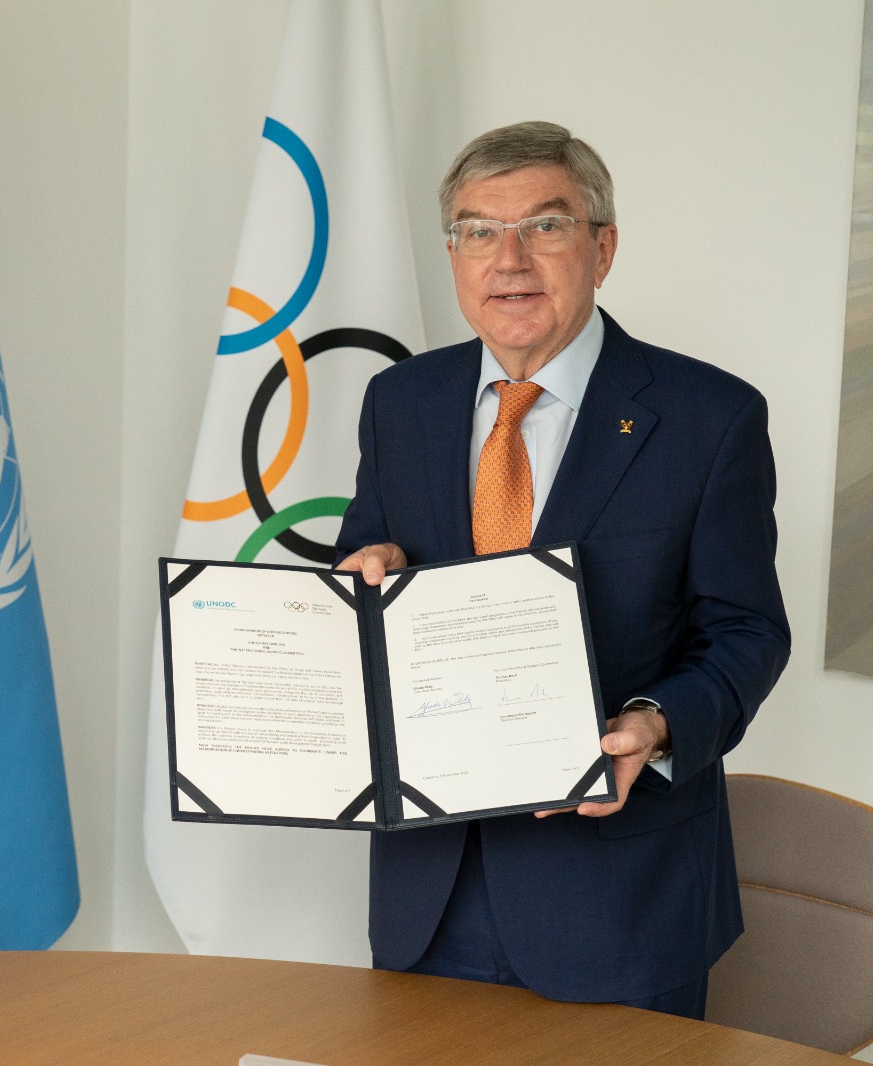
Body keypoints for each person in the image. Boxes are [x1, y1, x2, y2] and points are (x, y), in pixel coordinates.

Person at [334, 121, 789, 1018]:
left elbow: (746, 631)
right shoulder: (400, 401)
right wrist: (370, 574)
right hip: (427, 895)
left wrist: (655, 725)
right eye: (478, 231)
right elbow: (368, 562)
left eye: (544, 226)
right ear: (454, 255)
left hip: (621, 904)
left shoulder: (710, 417)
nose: (509, 259)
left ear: (602, 248)